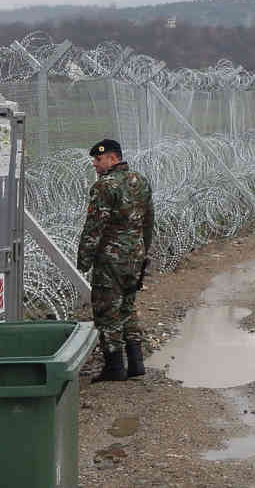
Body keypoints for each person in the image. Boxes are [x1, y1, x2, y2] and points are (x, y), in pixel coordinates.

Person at [77, 139, 155, 382]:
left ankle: (114, 366)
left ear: (112, 158)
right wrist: (143, 250)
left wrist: (84, 259)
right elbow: (149, 220)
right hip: (135, 255)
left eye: (98, 160)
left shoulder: (105, 186)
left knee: (107, 309)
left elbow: (94, 227)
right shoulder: (140, 181)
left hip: (110, 258)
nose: (94, 164)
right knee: (127, 306)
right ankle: (136, 362)